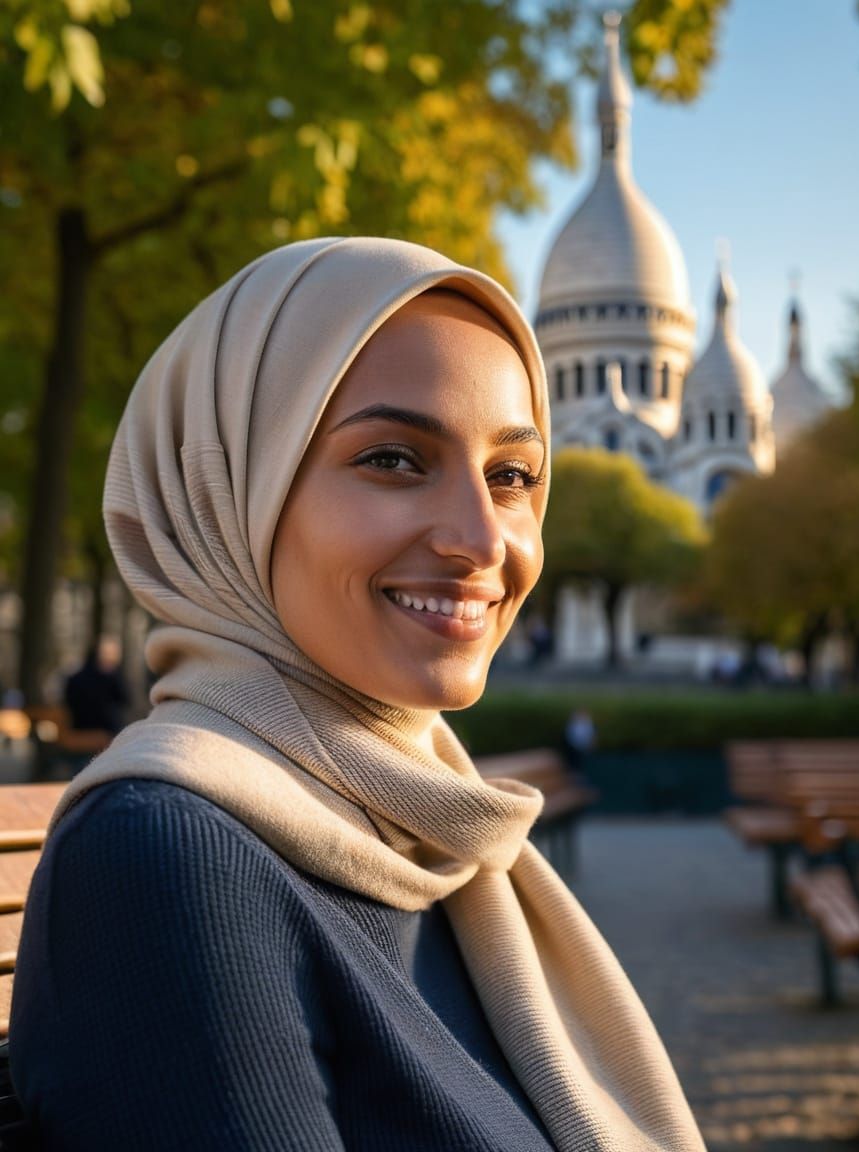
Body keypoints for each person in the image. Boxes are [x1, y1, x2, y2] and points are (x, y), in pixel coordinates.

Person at [10, 239, 705, 1151]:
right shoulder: (166, 860)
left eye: (512, 477)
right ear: (227, 489)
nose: (481, 540)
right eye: (393, 459)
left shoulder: (436, 831)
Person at [64, 636, 130, 735]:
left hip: (79, 728)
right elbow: (124, 699)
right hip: (105, 730)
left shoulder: (75, 677)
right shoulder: (111, 677)